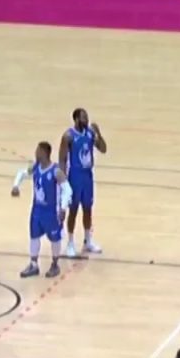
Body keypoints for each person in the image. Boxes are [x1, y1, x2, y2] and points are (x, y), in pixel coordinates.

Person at [11, 141, 72, 279]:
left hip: (52, 212)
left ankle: (55, 264)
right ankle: (33, 264)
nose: (35, 153)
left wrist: (63, 208)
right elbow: (22, 173)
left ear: (44, 153)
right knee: (34, 236)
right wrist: (16, 186)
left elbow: (67, 190)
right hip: (37, 209)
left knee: (55, 238)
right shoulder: (36, 167)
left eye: (37, 151)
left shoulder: (55, 171)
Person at [59, 108, 107, 258]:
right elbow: (62, 159)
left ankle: (88, 241)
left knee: (88, 209)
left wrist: (99, 134)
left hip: (87, 176)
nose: (86, 120)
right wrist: (63, 181)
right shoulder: (68, 136)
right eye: (83, 118)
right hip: (75, 176)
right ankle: (70, 243)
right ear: (76, 119)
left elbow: (103, 149)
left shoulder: (90, 133)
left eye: (87, 117)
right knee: (73, 211)